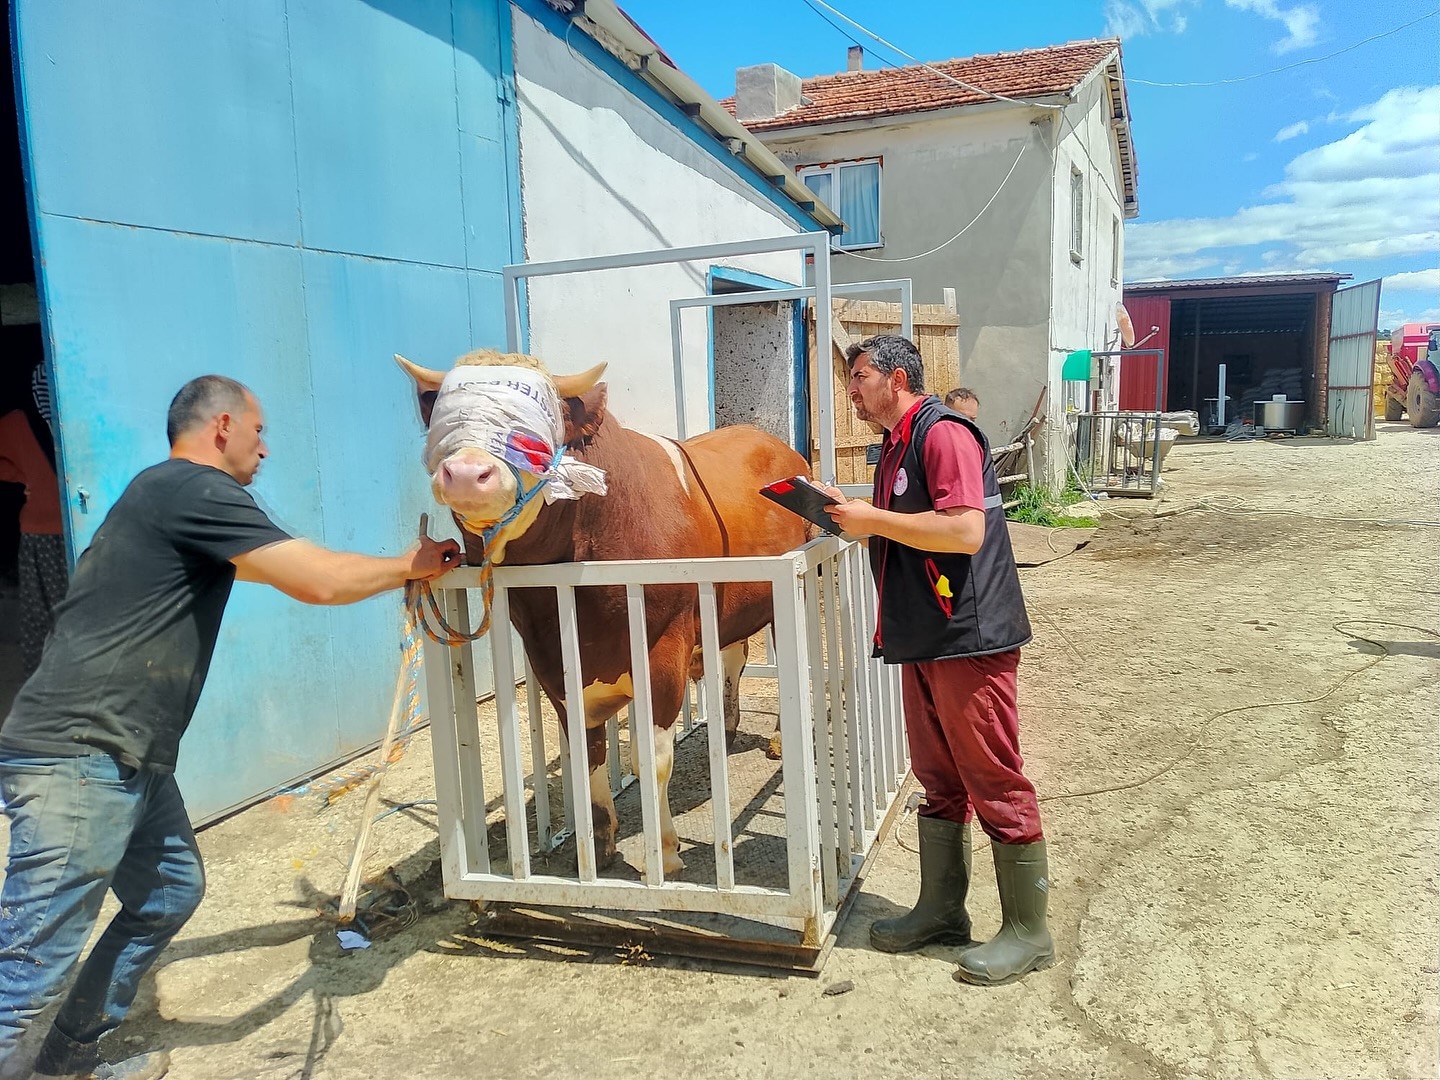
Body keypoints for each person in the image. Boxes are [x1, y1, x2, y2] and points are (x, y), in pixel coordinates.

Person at [0, 376, 461, 1080]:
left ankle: (67, 1058)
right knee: (31, 964)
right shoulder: (196, 489)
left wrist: (395, 571)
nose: (264, 448)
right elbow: (317, 579)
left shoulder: (163, 497)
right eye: (258, 431)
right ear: (222, 427)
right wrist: (409, 565)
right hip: (81, 753)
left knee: (168, 893)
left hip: (129, 753)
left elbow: (284, 569)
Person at [823, 335, 1052, 988]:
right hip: (925, 633)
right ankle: (942, 911)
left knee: (992, 776)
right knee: (939, 778)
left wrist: (873, 520)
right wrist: (850, 513)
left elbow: (964, 530)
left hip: (968, 636)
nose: (851, 391)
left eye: (860, 377)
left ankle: (1029, 932)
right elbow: (905, 519)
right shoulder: (896, 443)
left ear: (897, 379)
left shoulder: (944, 433)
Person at [0, 406, 68, 677]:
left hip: (59, 532)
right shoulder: (21, 422)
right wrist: (22, 475)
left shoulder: (69, 417)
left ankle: (53, 678)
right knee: (51, 613)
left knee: (49, 613)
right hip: (45, 533)